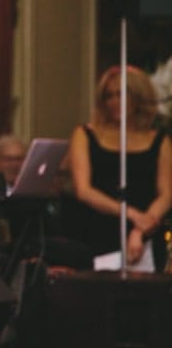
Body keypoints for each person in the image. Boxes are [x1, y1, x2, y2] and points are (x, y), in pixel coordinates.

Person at [67, 65, 171, 271]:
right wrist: (131, 214)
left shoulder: (159, 140)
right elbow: (83, 190)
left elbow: (167, 193)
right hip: (96, 231)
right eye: (109, 96)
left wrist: (140, 230)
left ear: (138, 97)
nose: (115, 102)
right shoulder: (85, 134)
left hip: (145, 237)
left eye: (122, 95)